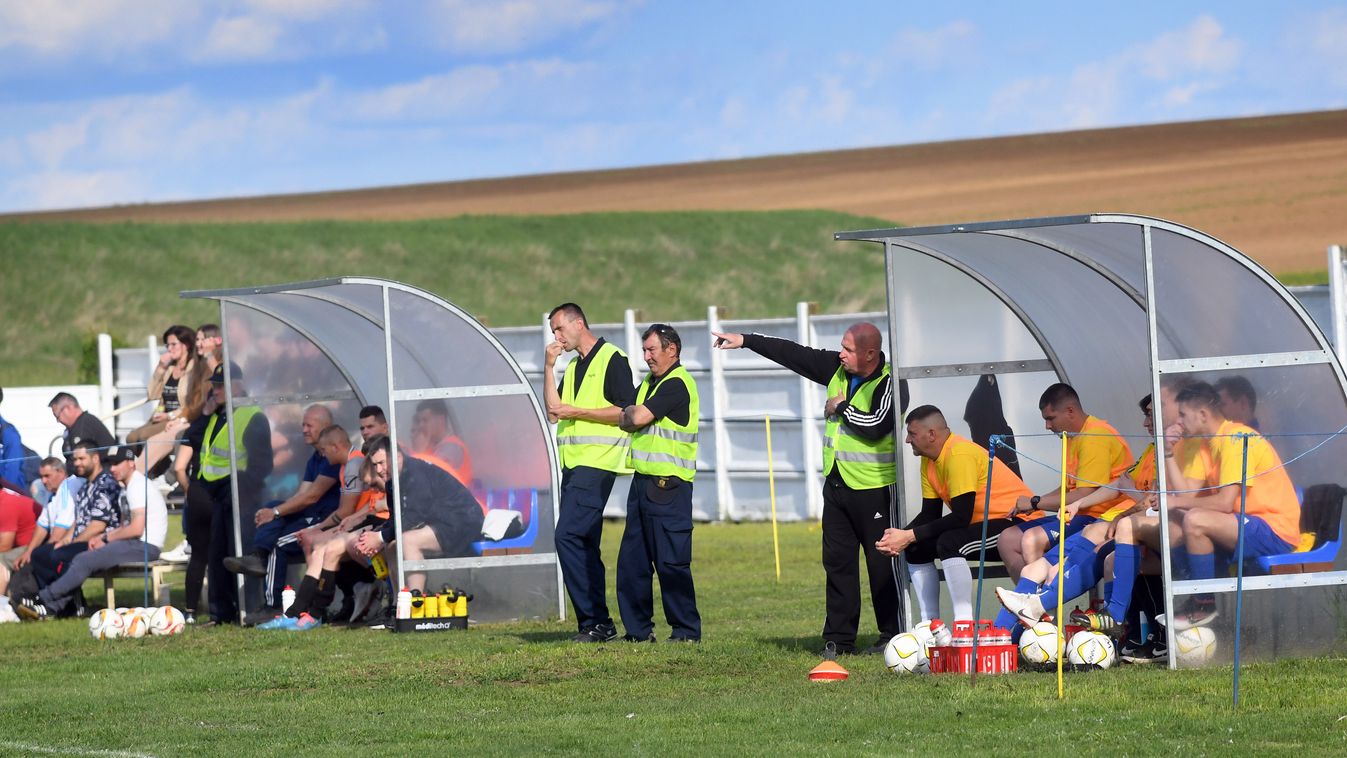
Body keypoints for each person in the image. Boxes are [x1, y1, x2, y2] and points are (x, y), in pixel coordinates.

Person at [713, 321, 905, 657]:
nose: (840, 354)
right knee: (837, 564)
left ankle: (892, 635)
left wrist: (840, 407)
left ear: (870, 353)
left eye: (848, 349)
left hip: (874, 489)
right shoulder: (837, 369)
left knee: (881, 566)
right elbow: (794, 354)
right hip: (836, 484)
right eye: (841, 347)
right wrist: (746, 341)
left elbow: (877, 425)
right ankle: (838, 640)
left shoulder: (889, 380)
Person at [993, 394, 1167, 661]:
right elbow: (1119, 484)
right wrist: (1079, 503)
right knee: (1033, 564)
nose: (1145, 423)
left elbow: (1145, 499)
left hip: (1113, 523)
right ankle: (1000, 636)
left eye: (1150, 415)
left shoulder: (1097, 436)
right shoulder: (1150, 450)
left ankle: (1044, 611)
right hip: (1102, 520)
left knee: (1066, 551)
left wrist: (1040, 501)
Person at [876, 405, 1033, 622]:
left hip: (1021, 524)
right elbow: (929, 514)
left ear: (932, 434)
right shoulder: (929, 458)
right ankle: (930, 627)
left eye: (912, 434)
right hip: (987, 525)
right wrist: (900, 537)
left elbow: (961, 517)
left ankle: (963, 626)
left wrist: (908, 535)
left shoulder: (959, 454)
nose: (907, 441)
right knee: (916, 547)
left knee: (950, 542)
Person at [544, 302, 636, 643]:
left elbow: (626, 411)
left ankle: (593, 621)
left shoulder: (613, 358)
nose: (556, 336)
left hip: (598, 463)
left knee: (565, 536)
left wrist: (577, 410)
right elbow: (554, 412)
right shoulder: (571, 367)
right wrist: (548, 367)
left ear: (578, 323)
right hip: (575, 465)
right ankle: (600, 624)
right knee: (583, 544)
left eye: (558, 328)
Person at [612, 323, 701, 643]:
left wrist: (630, 415)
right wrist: (630, 414)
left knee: (671, 562)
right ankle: (637, 631)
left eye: (652, 350)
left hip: (669, 487)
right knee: (632, 563)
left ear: (671, 350)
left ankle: (686, 631)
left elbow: (633, 418)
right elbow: (629, 415)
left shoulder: (677, 383)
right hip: (642, 484)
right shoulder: (649, 383)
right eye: (644, 350)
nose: (646, 356)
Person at [996, 383, 1132, 581]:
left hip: (1099, 517)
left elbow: (1084, 494)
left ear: (1070, 411)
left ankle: (1040, 605)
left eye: (1050, 418)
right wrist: (1034, 501)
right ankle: (1026, 601)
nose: (1047, 426)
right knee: (1007, 539)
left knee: (1031, 539)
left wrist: (1035, 502)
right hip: (1076, 514)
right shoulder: (1072, 437)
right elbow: (1069, 488)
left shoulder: (1094, 436)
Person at [18, 445, 168, 620]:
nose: (112, 468)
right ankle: (51, 606)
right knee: (77, 557)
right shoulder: (127, 487)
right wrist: (101, 539)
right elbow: (124, 526)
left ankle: (44, 599)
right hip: (134, 543)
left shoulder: (137, 486)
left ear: (130, 463)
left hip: (145, 546)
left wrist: (105, 538)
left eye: (117, 463)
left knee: (83, 560)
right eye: (110, 464)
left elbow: (136, 528)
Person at [353, 434, 485, 624]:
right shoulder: (392, 482)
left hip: (463, 521)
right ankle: (399, 606)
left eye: (382, 463)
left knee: (407, 540)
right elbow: (397, 518)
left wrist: (380, 537)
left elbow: (415, 516)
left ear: (397, 456)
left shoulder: (416, 473)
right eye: (375, 465)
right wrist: (374, 537)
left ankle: (416, 606)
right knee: (391, 546)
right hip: (439, 522)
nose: (379, 470)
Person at [223, 403, 337, 621]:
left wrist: (274, 512)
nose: (303, 429)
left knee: (279, 545)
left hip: (325, 518)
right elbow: (301, 495)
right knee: (276, 505)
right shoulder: (315, 457)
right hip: (310, 514)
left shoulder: (331, 456)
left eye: (309, 425)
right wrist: (273, 511)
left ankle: (273, 605)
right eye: (302, 424)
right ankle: (257, 555)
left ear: (325, 426)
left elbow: (311, 496)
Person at [188, 362, 273, 625]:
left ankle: (249, 608)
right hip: (216, 495)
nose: (215, 391)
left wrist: (242, 489)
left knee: (242, 553)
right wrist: (205, 412)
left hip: (241, 495)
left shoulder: (252, 415)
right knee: (217, 555)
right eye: (213, 385)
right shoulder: (217, 414)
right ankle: (220, 613)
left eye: (220, 386)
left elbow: (262, 464)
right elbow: (193, 438)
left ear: (237, 385)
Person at [16, 441, 123, 619]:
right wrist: (65, 540)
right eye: (75, 459)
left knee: (58, 556)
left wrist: (70, 542)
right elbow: (78, 521)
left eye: (82, 458)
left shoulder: (105, 484)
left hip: (102, 541)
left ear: (95, 458)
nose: (77, 463)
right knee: (39, 555)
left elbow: (98, 526)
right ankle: (68, 606)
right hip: (83, 539)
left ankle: (50, 603)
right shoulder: (86, 487)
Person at [127, 325, 196, 446]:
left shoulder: (194, 368)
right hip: (161, 416)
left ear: (186, 345)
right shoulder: (169, 368)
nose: (169, 349)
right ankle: (158, 464)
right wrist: (160, 367)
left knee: (144, 436)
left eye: (173, 344)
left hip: (179, 418)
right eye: (167, 345)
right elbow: (152, 394)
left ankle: (157, 463)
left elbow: (193, 403)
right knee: (131, 438)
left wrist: (169, 416)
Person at [410, 398, 473, 486]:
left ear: (440, 420)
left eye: (425, 420)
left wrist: (420, 452)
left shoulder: (451, 448)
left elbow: (427, 479)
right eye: (419, 421)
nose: (421, 426)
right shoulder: (434, 447)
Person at [48, 392, 115, 468]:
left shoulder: (84, 426)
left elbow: (84, 465)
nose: (58, 421)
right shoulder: (78, 426)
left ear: (68, 408)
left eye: (57, 416)